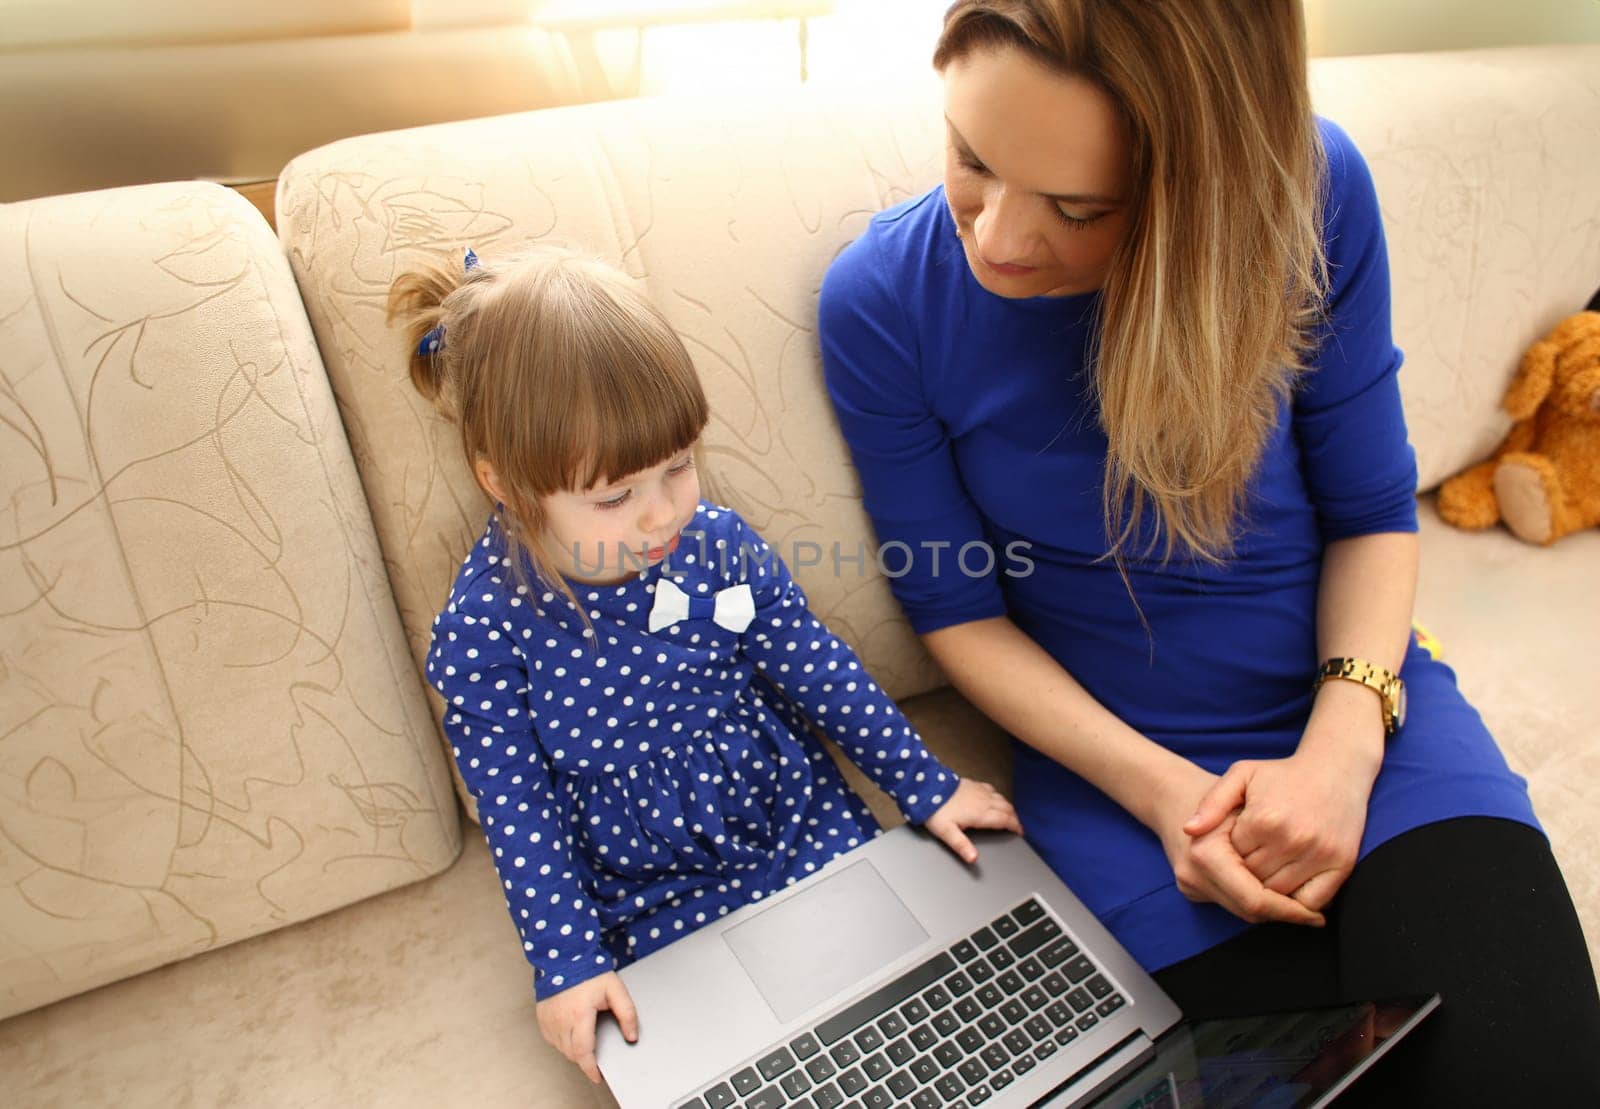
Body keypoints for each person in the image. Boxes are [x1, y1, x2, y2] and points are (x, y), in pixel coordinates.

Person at [818, 1, 1600, 1101]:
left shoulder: (1311, 193)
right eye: (971, 158)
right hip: (1126, 789)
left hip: (1358, 706)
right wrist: (1164, 797)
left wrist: (1341, 748)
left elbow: (1374, 515)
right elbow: (958, 616)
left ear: (1205, 185)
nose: (996, 236)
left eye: (1077, 206)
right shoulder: (880, 305)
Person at [387, 244, 1021, 1085]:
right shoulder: (485, 625)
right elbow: (515, 802)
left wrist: (925, 784)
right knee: (728, 1062)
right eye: (614, 497)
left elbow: (816, 667)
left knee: (903, 1010)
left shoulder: (716, 545)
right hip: (639, 878)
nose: (662, 515)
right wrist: (568, 962)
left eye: (679, 465)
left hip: (782, 810)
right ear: (502, 482)